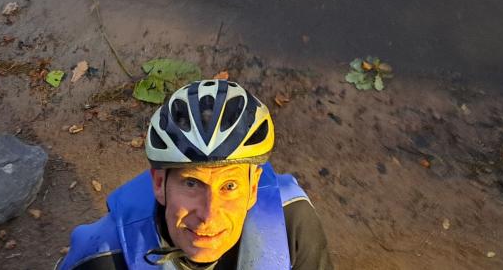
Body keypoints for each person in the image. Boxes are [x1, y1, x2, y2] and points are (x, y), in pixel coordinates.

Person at [56, 79, 333, 269]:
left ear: (252, 189)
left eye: (230, 186)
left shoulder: (292, 220)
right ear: (159, 183)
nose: (208, 215)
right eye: (192, 183)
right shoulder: (102, 257)